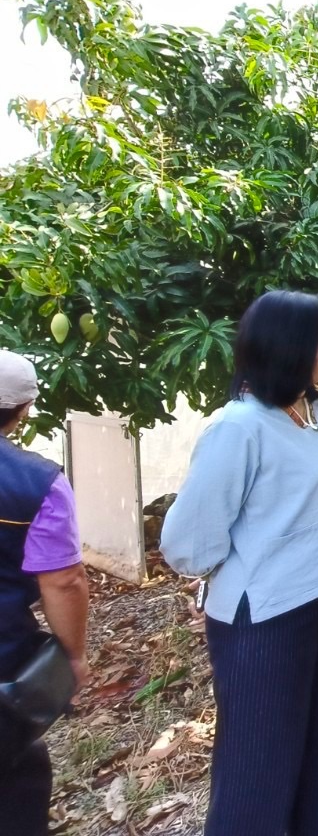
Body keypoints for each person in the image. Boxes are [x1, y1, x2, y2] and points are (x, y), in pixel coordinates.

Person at [160, 290, 318, 836]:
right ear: (292, 344)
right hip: (267, 618)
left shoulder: (317, 410)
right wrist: (253, 561)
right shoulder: (239, 428)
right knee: (260, 765)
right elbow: (187, 543)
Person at [0, 350, 89, 835]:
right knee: (19, 787)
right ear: (24, 409)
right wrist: (72, 657)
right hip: (5, 663)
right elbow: (63, 580)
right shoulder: (38, 483)